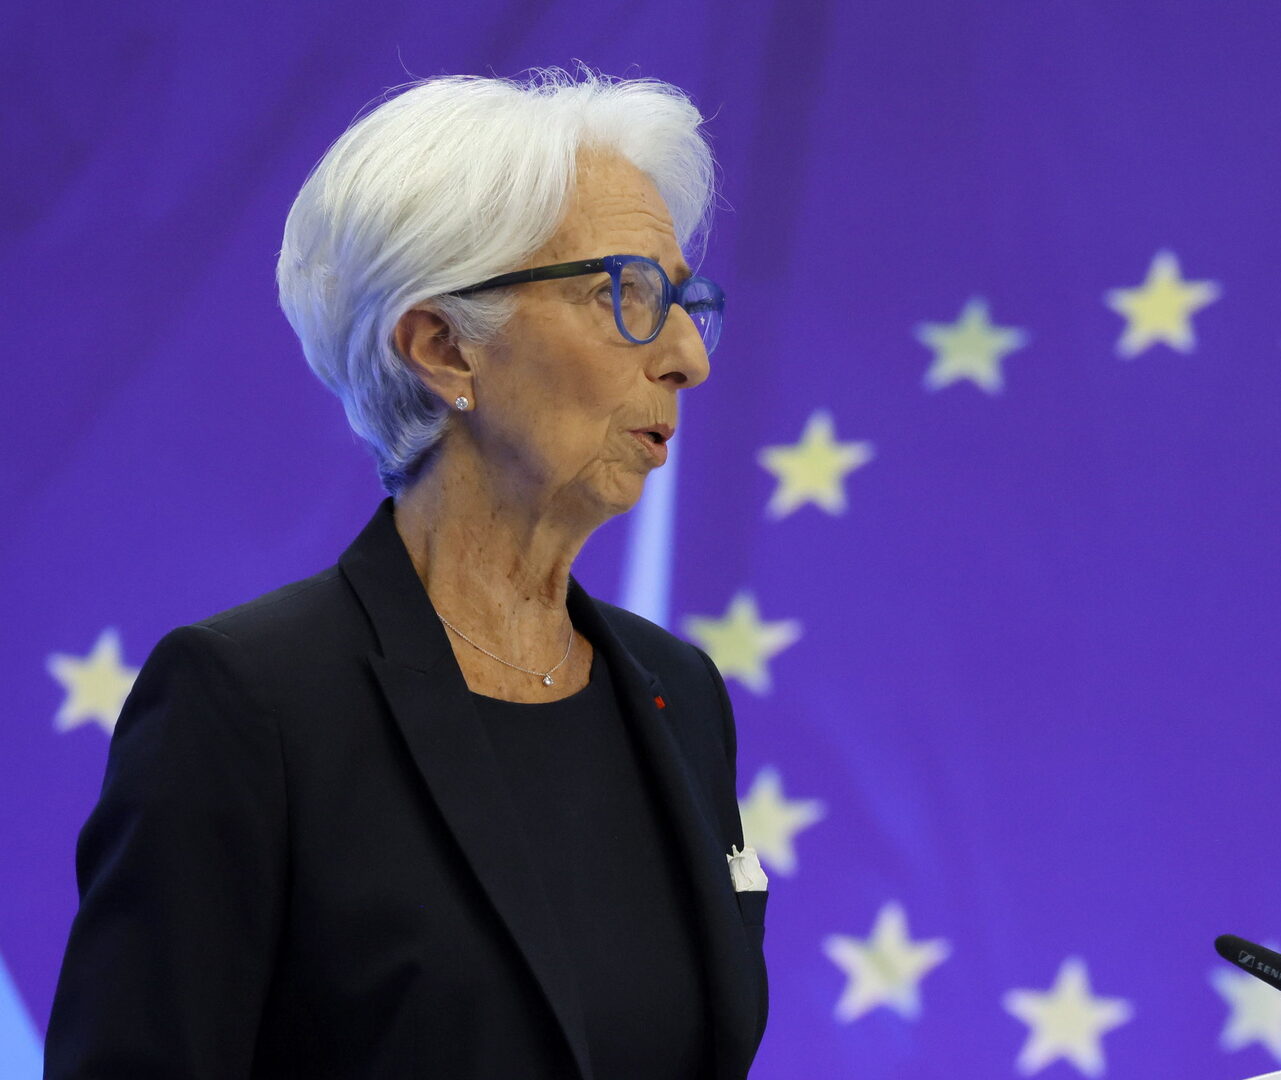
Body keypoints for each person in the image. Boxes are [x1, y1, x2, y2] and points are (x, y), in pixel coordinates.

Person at [44, 69, 768, 1079]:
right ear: (443, 348)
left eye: (683, 300)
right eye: (629, 294)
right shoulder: (248, 704)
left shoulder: (677, 693)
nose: (688, 356)